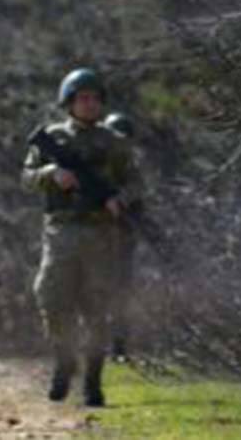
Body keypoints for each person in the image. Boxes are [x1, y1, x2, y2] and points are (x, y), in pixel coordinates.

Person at [21, 68, 141, 407]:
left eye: (94, 98)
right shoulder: (53, 137)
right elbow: (26, 176)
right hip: (60, 231)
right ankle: (64, 359)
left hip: (102, 233)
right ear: (69, 102)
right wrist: (51, 173)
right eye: (82, 98)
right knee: (51, 297)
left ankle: (92, 380)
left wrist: (121, 199)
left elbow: (136, 182)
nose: (88, 104)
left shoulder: (114, 143)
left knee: (97, 309)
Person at [101, 111, 141, 360]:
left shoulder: (130, 169)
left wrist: (121, 201)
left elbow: (136, 194)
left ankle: (118, 347)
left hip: (121, 239)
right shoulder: (96, 164)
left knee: (120, 295)